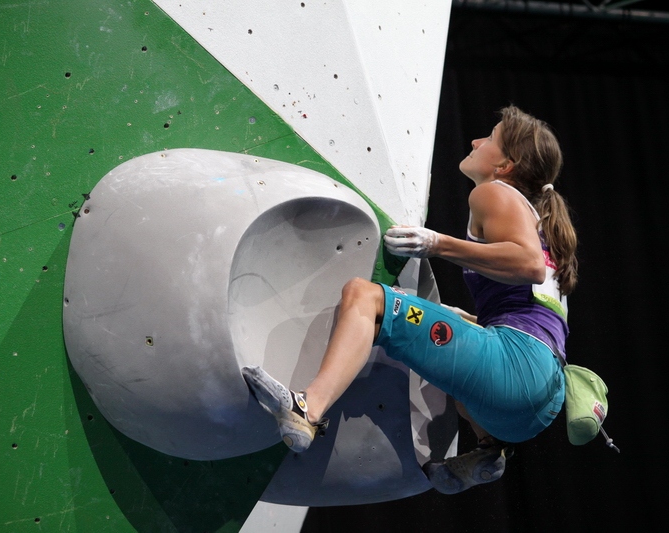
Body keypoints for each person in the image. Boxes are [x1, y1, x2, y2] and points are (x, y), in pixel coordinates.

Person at [242, 104, 578, 494]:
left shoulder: (494, 194)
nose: (475, 141)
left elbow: (529, 266)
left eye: (489, 137)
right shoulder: (539, 220)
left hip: (515, 370)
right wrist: (467, 318)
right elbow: (537, 309)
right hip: (535, 406)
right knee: (457, 378)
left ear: (506, 165)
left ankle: (307, 410)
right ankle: (489, 448)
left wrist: (437, 244)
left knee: (364, 298)